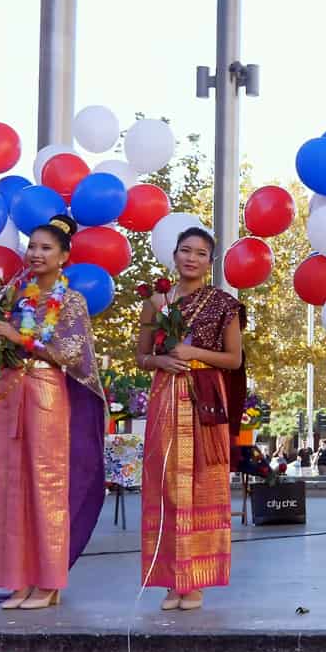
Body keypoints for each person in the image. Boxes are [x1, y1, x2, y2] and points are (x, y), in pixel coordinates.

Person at [0, 214, 106, 610]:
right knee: (9, 487)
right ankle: (17, 579)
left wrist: (20, 338)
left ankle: (49, 581)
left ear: (64, 256)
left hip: (46, 395)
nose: (36, 254)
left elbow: (72, 352)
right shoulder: (13, 294)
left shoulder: (71, 300)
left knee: (45, 485)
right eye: (31, 246)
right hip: (9, 394)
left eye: (46, 248)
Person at [137, 227, 246, 611]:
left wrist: (191, 350)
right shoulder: (156, 300)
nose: (191, 258)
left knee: (203, 482)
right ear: (175, 253)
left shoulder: (223, 303)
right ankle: (170, 579)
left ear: (210, 261)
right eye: (186, 250)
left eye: (201, 253)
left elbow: (233, 359)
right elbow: (142, 356)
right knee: (167, 484)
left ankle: (195, 580)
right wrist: (162, 360)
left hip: (205, 399)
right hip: (167, 394)